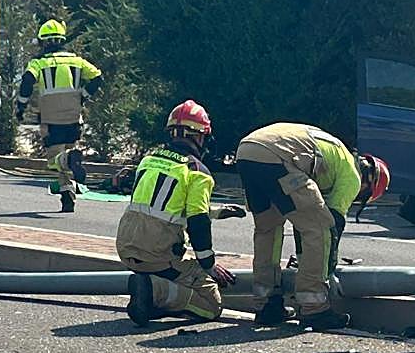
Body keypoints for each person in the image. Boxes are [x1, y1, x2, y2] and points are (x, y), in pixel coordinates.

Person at [235, 123, 390, 330]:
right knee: (321, 228)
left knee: (268, 231)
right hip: (278, 156)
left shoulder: (335, 154)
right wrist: (327, 272)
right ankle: (314, 308)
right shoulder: (352, 175)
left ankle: (267, 305)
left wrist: (303, 260)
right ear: (368, 183)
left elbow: (303, 221)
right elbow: (331, 227)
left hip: (247, 151)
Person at [117, 100, 239, 327]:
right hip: (160, 256)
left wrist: (218, 212)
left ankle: (150, 299)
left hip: (126, 248)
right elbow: (197, 222)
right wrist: (209, 265)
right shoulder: (197, 172)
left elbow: (165, 206)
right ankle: (154, 291)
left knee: (173, 279)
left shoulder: (148, 161)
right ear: (200, 136)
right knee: (211, 305)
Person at [15, 19, 103, 213]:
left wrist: (21, 107)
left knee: (55, 160)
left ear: (44, 42)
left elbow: (27, 82)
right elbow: (97, 77)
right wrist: (83, 96)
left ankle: (70, 165)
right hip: (74, 118)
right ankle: (67, 196)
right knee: (66, 159)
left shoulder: (39, 63)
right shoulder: (77, 61)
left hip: (51, 119)